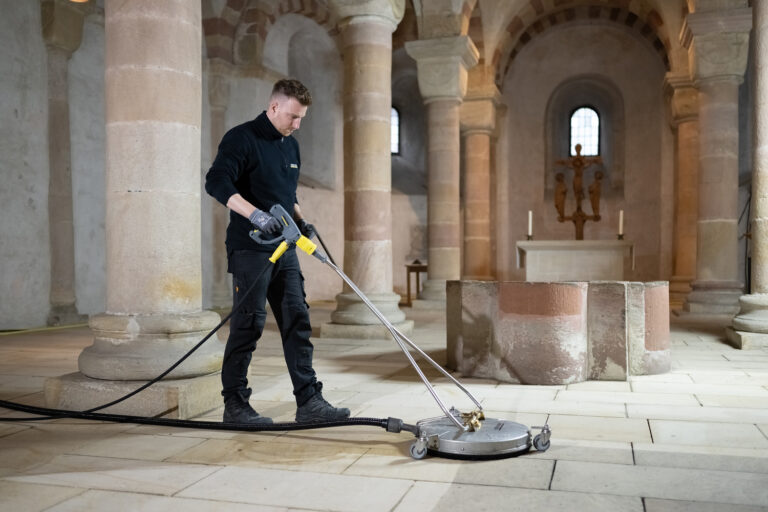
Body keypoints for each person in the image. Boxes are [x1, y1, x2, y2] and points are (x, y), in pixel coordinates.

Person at [205, 78, 350, 425]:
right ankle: (235, 405)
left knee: (297, 318)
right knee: (249, 324)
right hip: (250, 248)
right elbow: (216, 181)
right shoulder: (242, 138)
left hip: (283, 247)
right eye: (292, 117)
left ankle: (309, 401)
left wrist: (301, 221)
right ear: (273, 107)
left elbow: (286, 194)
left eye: (302, 118)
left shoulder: (290, 146)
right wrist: (254, 213)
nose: (297, 125)